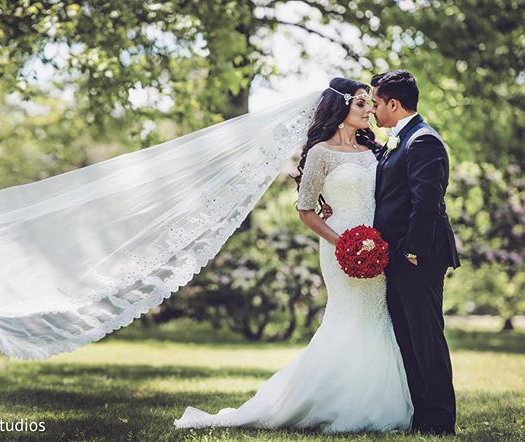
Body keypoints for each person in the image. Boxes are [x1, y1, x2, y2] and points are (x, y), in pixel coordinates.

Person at [173, 78, 414, 433]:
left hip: (374, 247)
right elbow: (306, 210)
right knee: (347, 316)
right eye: (361, 103)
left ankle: (372, 398)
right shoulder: (319, 153)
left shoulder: (375, 150)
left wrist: (374, 242)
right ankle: (327, 400)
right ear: (341, 108)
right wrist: (342, 241)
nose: (369, 110)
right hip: (340, 248)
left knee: (375, 316)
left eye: (369, 103)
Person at [370, 70, 460, 436]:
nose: (373, 110)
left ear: (394, 104)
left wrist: (411, 251)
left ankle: (440, 420)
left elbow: (426, 203)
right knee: (407, 337)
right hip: (397, 257)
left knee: (426, 337)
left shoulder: (423, 141)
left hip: (417, 257)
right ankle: (422, 416)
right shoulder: (399, 139)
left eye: (375, 103)